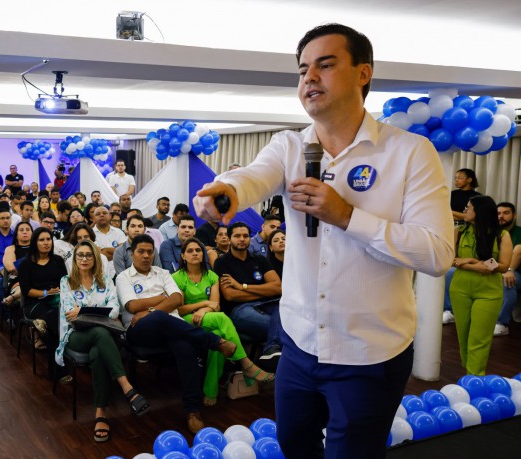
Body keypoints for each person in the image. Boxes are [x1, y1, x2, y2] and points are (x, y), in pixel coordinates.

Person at [194, 24, 454, 458]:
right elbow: (251, 177)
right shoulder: (289, 147)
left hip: (371, 354)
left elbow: (437, 254)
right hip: (299, 346)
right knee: (294, 447)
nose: (309, 77)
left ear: (363, 73)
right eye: (302, 70)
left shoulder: (410, 153)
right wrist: (226, 191)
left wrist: (347, 216)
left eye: (325, 65)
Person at [116, 234, 238, 433]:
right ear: (132, 254)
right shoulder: (123, 277)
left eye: (149, 251)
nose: (146, 255)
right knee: (161, 318)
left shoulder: (163, 273)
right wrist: (161, 299)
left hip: (171, 328)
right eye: (141, 251)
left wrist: (150, 311)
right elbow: (132, 305)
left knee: (184, 346)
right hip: (139, 331)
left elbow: (177, 300)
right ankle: (214, 342)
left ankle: (193, 410)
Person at [56, 241, 149, 442]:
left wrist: (82, 311)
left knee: (98, 352)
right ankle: (127, 388)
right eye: (80, 255)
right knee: (99, 330)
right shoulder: (66, 281)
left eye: (89, 255)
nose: (84, 259)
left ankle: (100, 413)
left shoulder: (106, 280)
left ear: (96, 258)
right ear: (74, 259)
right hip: (76, 336)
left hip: (103, 336)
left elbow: (115, 309)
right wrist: (93, 313)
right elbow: (70, 314)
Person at [172, 237, 275, 405]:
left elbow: (216, 305)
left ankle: (210, 392)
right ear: (183, 256)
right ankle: (246, 364)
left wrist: (205, 309)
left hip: (208, 317)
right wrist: (204, 304)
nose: (194, 253)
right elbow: (180, 309)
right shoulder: (176, 277)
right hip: (186, 321)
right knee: (222, 319)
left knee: (220, 336)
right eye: (190, 251)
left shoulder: (212, 275)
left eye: (198, 250)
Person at [450, 196, 512, 375]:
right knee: (463, 335)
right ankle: (469, 373)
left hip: (489, 292)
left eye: (468, 208)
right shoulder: (459, 231)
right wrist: (473, 264)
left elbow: (504, 265)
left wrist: (474, 261)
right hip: (460, 289)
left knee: (480, 337)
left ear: (480, 211)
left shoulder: (502, 235)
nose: (465, 211)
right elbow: (451, 260)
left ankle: (475, 376)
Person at [212, 223, 282, 369]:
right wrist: (263, 291)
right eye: (237, 236)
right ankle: (272, 351)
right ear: (229, 238)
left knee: (285, 314)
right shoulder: (221, 262)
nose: (242, 239)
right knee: (283, 326)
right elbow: (231, 295)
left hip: (268, 305)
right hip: (239, 310)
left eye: (245, 236)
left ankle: (271, 351)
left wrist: (242, 287)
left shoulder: (260, 260)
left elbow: (278, 287)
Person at [18, 228, 68, 379]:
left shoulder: (58, 260)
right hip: (34, 304)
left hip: (56, 301)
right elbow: (26, 290)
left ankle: (56, 371)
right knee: (57, 321)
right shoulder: (26, 264)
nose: (46, 243)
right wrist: (46, 293)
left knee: (55, 324)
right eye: (42, 240)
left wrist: (57, 292)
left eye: (48, 239)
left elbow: (65, 282)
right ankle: (59, 370)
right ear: (35, 242)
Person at [495, 202, 521, 335]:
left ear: (514, 216)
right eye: (498, 213)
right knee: (450, 272)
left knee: (508, 281)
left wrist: (508, 270)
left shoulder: (519, 232)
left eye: (506, 213)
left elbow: (518, 252)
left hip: (516, 272)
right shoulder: (491, 231)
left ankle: (501, 323)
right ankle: (449, 311)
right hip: (494, 269)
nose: (501, 216)